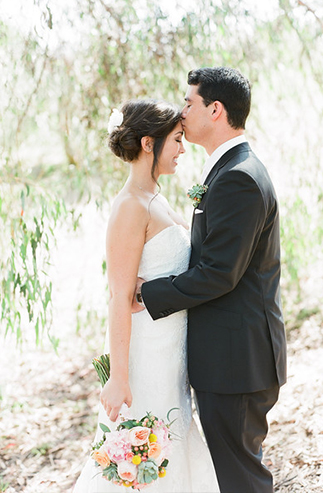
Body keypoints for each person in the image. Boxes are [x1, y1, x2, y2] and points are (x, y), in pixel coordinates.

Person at [135, 67, 287, 493]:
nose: (182, 113)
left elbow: (220, 273)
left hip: (237, 362)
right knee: (235, 472)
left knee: (241, 478)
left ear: (215, 109)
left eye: (189, 103)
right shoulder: (230, 170)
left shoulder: (237, 177)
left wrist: (148, 293)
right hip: (233, 358)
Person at [73, 99, 219, 492]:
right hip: (143, 354)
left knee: (173, 436)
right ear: (148, 144)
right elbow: (119, 297)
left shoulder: (158, 198)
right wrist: (118, 376)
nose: (183, 149)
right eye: (176, 140)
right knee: (145, 455)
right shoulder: (129, 208)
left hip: (172, 351)